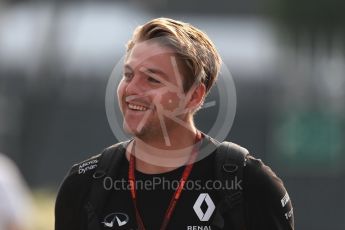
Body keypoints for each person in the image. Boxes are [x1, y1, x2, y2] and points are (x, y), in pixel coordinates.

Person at [55, 18, 294, 230]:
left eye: (152, 79)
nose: (131, 89)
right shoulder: (83, 185)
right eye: (128, 75)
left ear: (194, 96)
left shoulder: (249, 184)